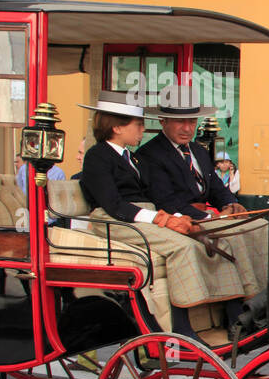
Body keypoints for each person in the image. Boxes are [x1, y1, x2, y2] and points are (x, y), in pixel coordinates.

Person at [77, 91, 256, 339]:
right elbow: (114, 204)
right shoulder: (97, 156)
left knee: (214, 240)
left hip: (141, 216)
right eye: (138, 124)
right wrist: (163, 219)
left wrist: (176, 217)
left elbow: (153, 196)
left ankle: (234, 311)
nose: (143, 129)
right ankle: (182, 326)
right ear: (117, 127)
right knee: (183, 247)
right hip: (113, 220)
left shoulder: (132, 159)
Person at [136, 93, 269, 301]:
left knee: (261, 226)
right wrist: (212, 218)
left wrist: (230, 203)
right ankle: (249, 299)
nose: (187, 128)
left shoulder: (198, 150)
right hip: (184, 219)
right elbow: (166, 201)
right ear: (163, 121)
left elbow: (215, 185)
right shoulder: (150, 154)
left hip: (209, 215)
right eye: (180, 122)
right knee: (233, 234)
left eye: (192, 121)